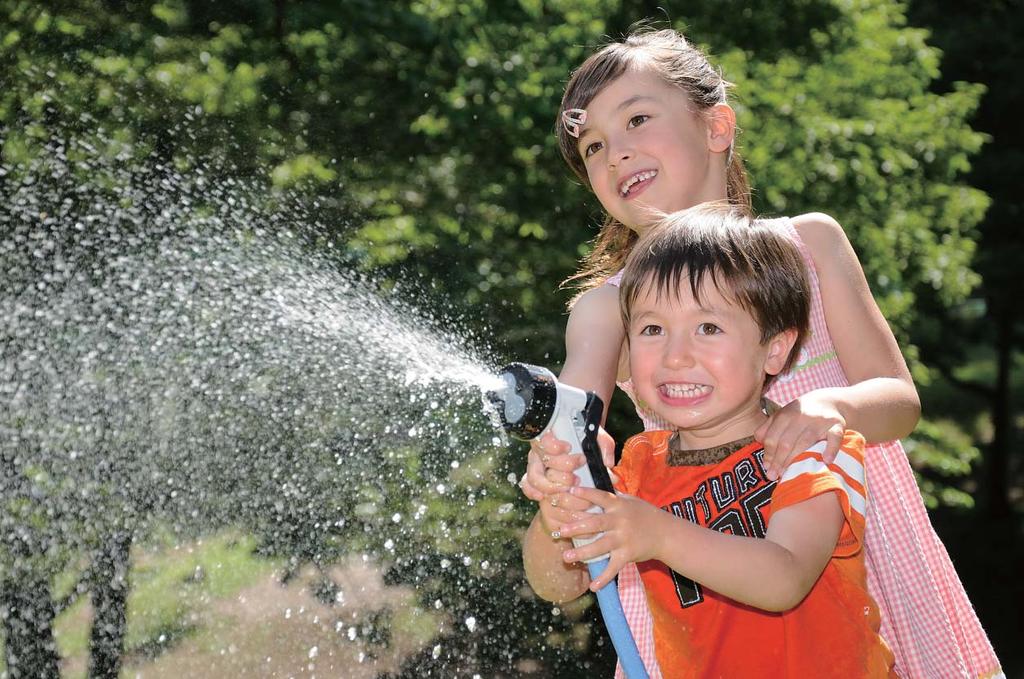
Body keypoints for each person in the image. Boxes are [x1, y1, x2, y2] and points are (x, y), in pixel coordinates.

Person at [519, 27, 1002, 679]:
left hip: (865, 549)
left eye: (636, 118)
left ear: (717, 125)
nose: (615, 153)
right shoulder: (609, 308)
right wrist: (562, 464)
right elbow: (579, 422)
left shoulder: (811, 245)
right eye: (594, 146)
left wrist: (828, 406)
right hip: (716, 581)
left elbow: (899, 401)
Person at [531, 203, 895, 676]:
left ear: (775, 349)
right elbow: (558, 583)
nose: (676, 355)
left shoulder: (808, 447)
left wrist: (657, 533)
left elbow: (783, 577)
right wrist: (555, 509)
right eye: (652, 329)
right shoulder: (639, 468)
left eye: (708, 328)